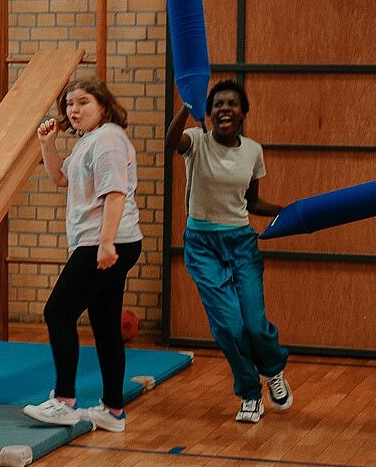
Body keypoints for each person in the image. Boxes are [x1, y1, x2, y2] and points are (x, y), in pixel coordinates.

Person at [166, 78, 292, 424]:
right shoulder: (197, 141)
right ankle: (250, 393)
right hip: (203, 245)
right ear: (210, 112)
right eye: (218, 104)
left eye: (232, 104)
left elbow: (251, 202)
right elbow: (170, 140)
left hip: (240, 243)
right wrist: (187, 107)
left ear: (243, 113)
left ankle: (274, 370)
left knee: (253, 322)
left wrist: (288, 210)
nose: (225, 108)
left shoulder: (253, 150)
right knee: (229, 326)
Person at [24, 78, 143, 433]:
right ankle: (112, 409)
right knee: (105, 326)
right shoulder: (91, 140)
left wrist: (106, 243)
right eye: (69, 104)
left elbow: (116, 193)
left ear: (103, 106)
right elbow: (61, 178)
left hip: (104, 242)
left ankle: (64, 401)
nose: (73, 110)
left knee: (57, 311)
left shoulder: (107, 141)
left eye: (82, 102)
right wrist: (47, 144)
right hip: (106, 241)